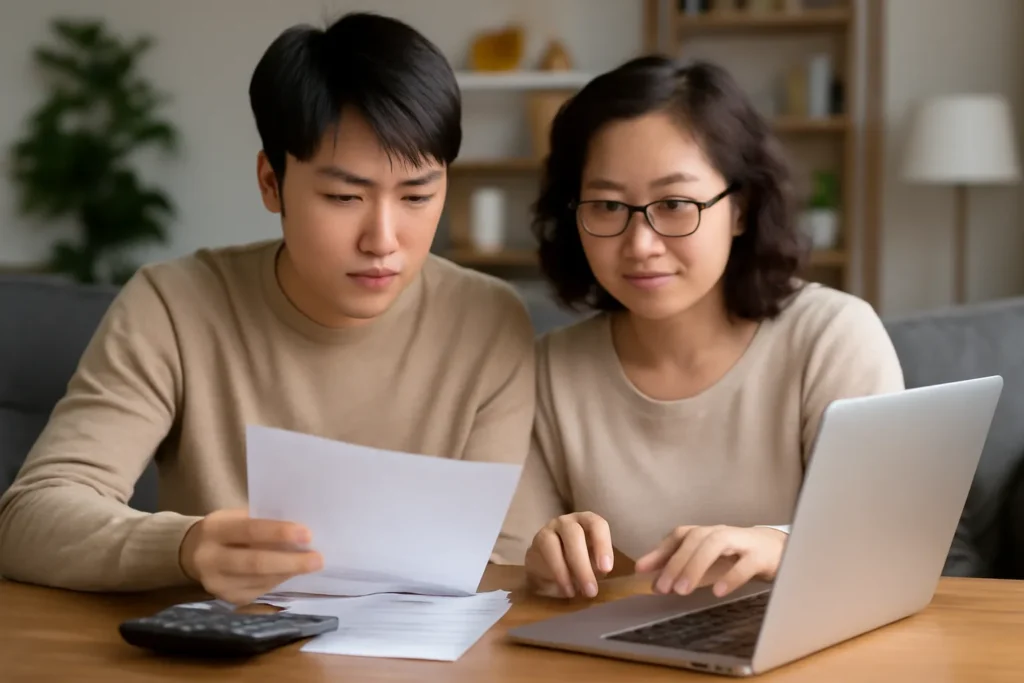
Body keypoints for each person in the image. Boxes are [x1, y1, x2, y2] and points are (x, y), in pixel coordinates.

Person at [0, 12, 535, 605]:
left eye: (417, 195)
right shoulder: (174, 306)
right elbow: (30, 517)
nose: (383, 238)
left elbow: (499, 563)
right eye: (343, 197)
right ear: (270, 182)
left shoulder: (488, 321)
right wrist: (186, 546)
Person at [492, 57, 903, 601]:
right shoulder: (547, 370)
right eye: (609, 205)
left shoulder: (831, 338)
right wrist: (545, 563)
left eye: (675, 204)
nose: (641, 243)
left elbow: (889, 547)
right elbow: (514, 577)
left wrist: (782, 547)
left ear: (741, 208)